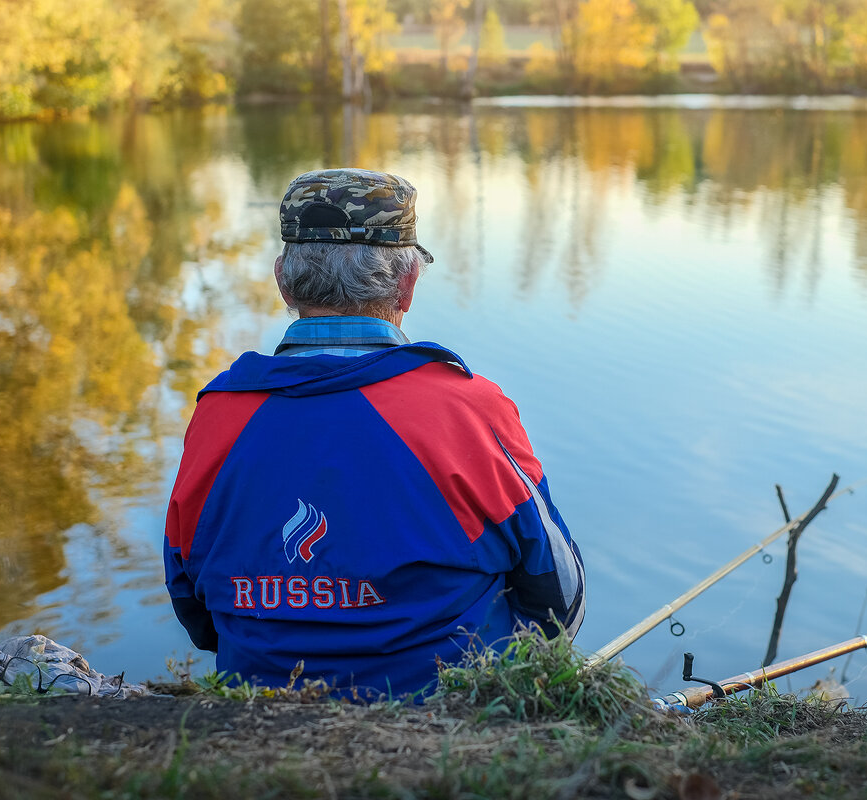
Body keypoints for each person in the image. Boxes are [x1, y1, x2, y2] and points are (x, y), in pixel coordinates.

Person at [163, 168, 585, 698]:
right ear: (406, 286)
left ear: (283, 281)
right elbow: (560, 595)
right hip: (450, 720)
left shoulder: (218, 413)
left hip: (261, 711)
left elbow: (191, 602)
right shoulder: (468, 408)